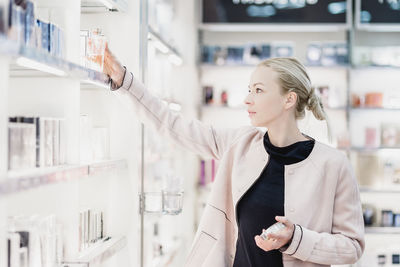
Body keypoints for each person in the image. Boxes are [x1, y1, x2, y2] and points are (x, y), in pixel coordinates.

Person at [103, 46, 365, 267]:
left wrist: (296, 238)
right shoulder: (239, 144)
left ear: (289, 99)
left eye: (258, 91)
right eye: (249, 89)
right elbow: (172, 125)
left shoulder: (334, 165)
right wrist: (124, 81)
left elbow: (352, 246)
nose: (247, 100)